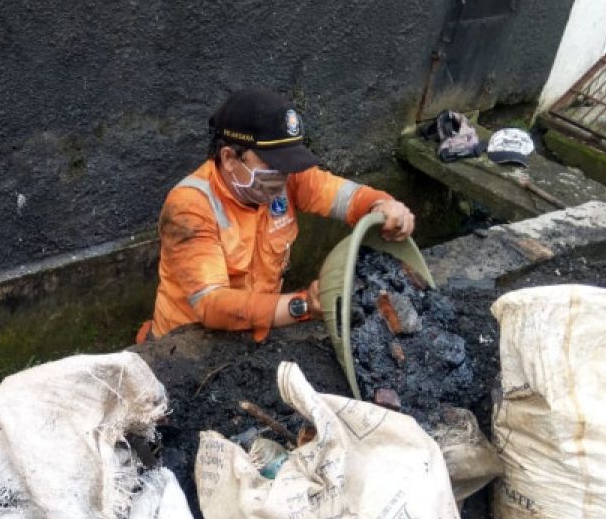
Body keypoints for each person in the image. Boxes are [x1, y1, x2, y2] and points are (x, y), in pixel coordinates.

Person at [140, 88, 415, 342]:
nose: (282, 176)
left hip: (254, 334)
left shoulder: (287, 178)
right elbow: (212, 305)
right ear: (229, 158)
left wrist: (383, 205)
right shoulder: (189, 206)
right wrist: (304, 305)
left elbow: (345, 196)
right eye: (272, 165)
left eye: (287, 165)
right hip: (187, 346)